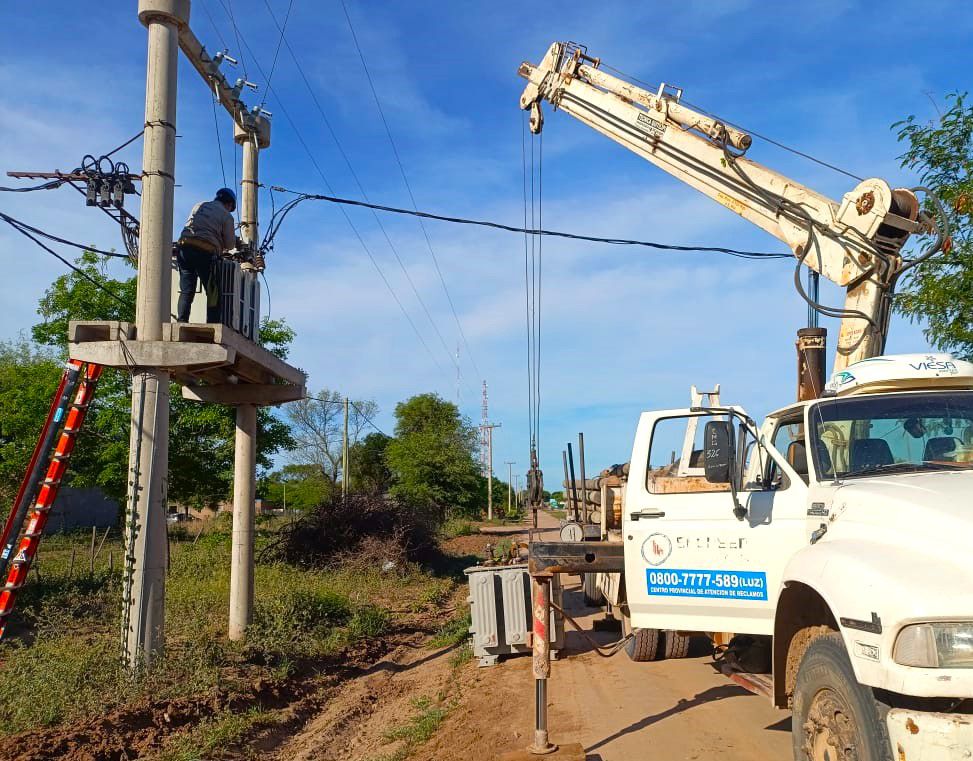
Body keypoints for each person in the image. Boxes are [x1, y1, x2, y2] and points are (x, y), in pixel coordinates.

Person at [175, 188, 237, 323]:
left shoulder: (199, 205)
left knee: (187, 290)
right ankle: (212, 325)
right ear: (229, 204)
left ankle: (181, 321)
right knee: (213, 292)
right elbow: (230, 244)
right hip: (205, 252)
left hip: (184, 248)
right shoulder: (227, 216)